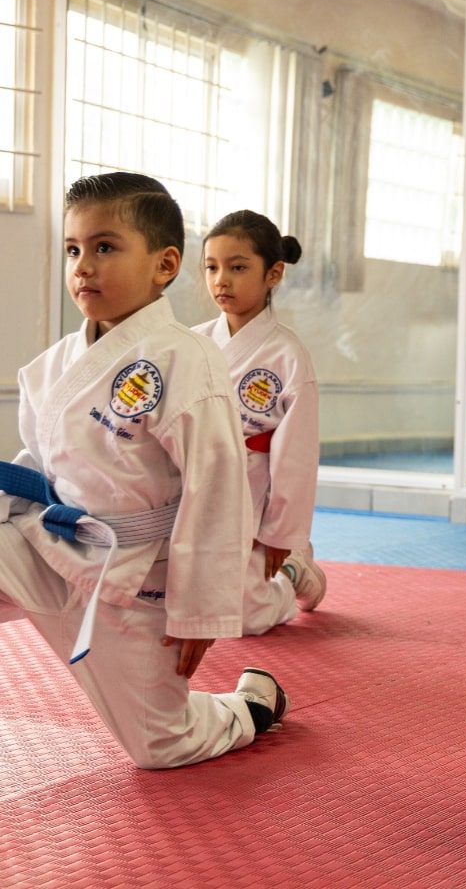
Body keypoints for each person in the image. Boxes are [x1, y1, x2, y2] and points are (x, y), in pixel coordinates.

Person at [0, 172, 287, 770]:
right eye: (73, 250)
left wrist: (200, 611)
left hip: (132, 581)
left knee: (160, 746)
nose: (83, 266)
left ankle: (249, 705)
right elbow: (42, 464)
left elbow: (217, 490)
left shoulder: (184, 360)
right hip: (47, 547)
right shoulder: (54, 365)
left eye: (104, 247)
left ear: (165, 265)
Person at [194, 210, 326, 634]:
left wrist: (281, 535)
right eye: (212, 267)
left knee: (243, 616)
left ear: (274, 274)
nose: (221, 280)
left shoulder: (287, 355)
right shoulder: (192, 344)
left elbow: (296, 458)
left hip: (252, 493)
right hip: (192, 487)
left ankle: (294, 569)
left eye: (237, 268)